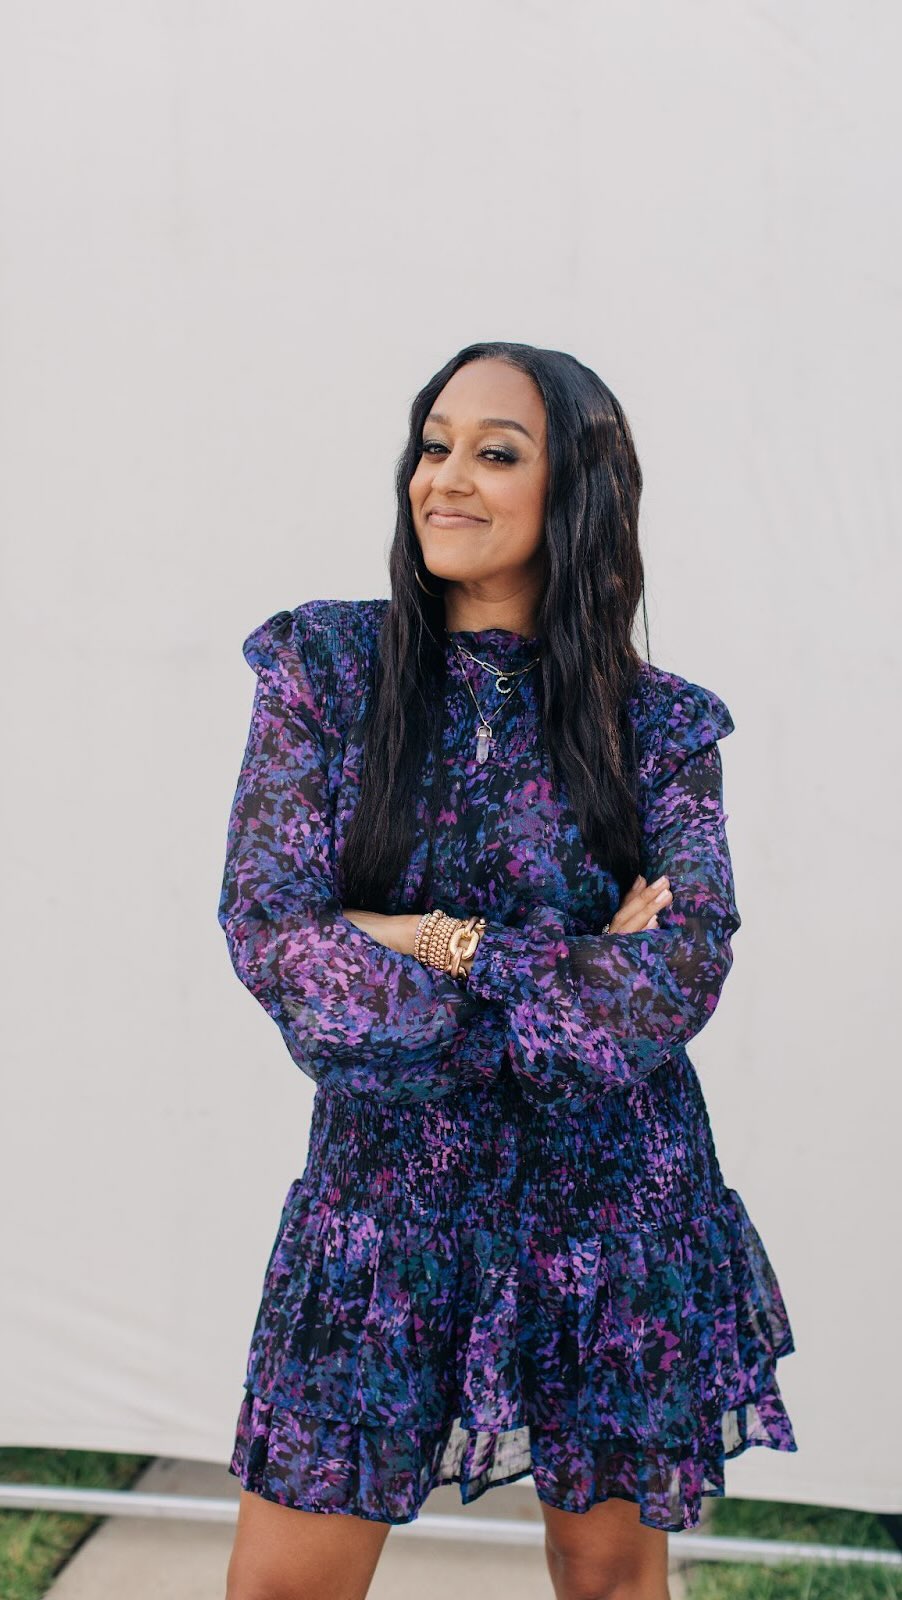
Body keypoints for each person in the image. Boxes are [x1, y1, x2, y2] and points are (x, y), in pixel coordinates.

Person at [217, 342, 797, 1600]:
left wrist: (408, 934)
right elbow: (276, 936)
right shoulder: (325, 670)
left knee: (607, 1581)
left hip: (610, 1215)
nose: (445, 478)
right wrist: (555, 964)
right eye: (433, 445)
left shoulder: (661, 725)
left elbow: (668, 983)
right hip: (383, 1211)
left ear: (573, 490)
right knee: (281, 1587)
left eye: (494, 453)